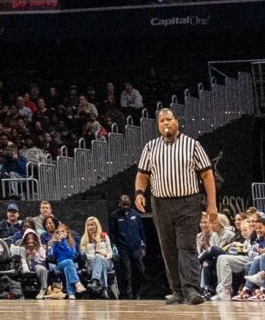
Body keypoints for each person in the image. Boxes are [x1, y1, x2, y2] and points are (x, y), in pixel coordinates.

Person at [135, 106, 221, 303]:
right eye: (162, 121)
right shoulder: (150, 147)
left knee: (186, 245)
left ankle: (191, 289)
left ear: (176, 122)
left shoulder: (192, 145)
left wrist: (212, 204)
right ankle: (177, 290)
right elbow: (142, 175)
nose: (166, 123)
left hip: (188, 202)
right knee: (168, 247)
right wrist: (139, 193)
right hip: (160, 203)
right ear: (158, 126)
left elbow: (207, 175)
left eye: (169, 119)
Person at [80, 216, 116, 298]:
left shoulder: (104, 236)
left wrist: (104, 256)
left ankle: (95, 281)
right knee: (99, 260)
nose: (90, 227)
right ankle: (104, 289)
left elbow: (110, 252)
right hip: (91, 263)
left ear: (97, 225)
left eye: (92, 225)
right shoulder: (84, 239)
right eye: (88, 225)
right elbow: (84, 255)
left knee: (100, 260)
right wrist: (96, 256)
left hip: (106, 261)